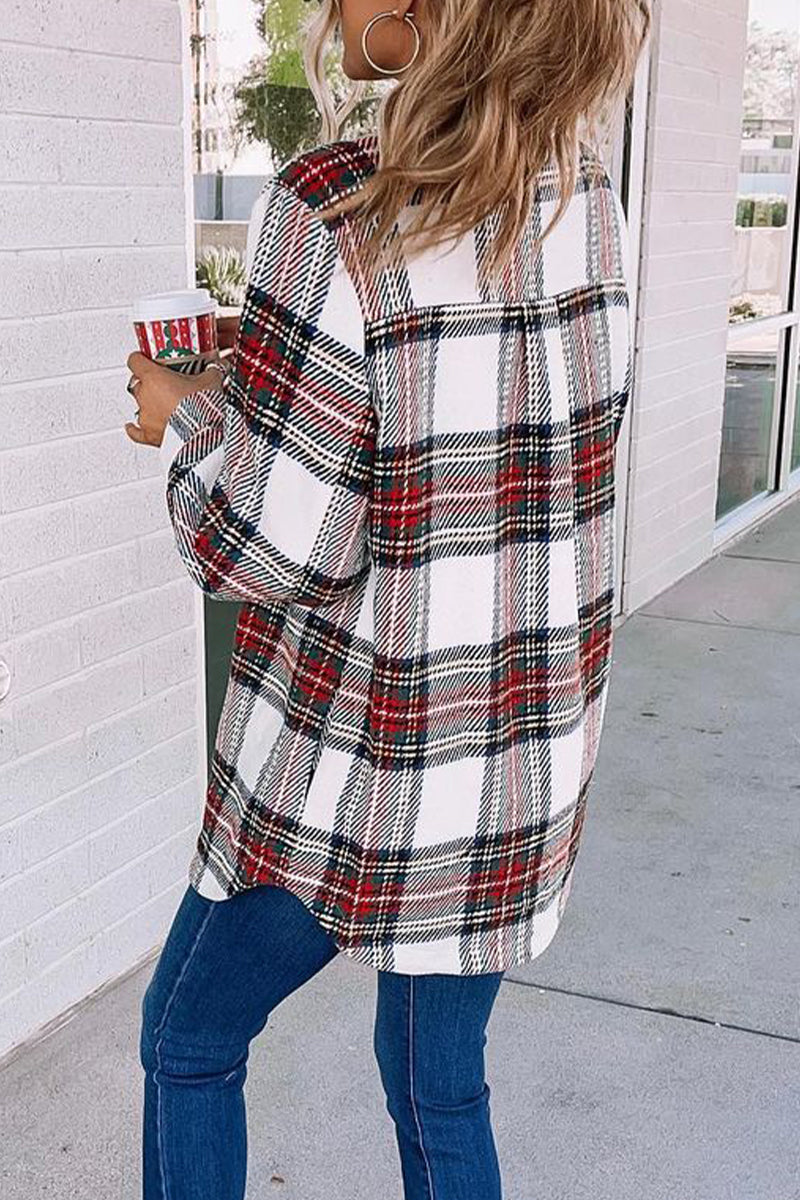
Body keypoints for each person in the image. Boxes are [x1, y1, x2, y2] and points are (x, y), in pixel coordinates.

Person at [125, 0, 650, 1196]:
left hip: (358, 775)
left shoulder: (335, 208)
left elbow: (266, 551)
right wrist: (273, 374)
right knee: (436, 1084)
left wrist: (190, 417)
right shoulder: (583, 194)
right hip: (514, 766)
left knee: (187, 1040)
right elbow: (522, 448)